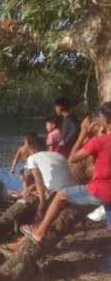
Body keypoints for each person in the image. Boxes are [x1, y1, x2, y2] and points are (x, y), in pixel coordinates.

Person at [21, 102, 111, 249]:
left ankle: (39, 232)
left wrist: (83, 133)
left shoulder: (98, 141)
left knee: (61, 195)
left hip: (101, 190)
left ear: (106, 121)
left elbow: (73, 158)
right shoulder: (101, 140)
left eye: (101, 119)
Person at [10, 132, 38, 200]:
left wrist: (12, 169)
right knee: (35, 183)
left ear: (24, 140)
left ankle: (24, 198)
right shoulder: (34, 149)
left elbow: (15, 160)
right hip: (34, 167)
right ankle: (32, 197)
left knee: (26, 183)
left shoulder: (21, 149)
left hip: (26, 168)